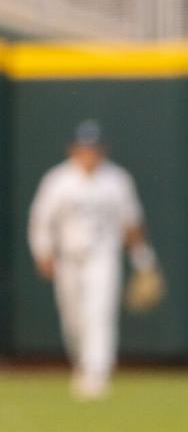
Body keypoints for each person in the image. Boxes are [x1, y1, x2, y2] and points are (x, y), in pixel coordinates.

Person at [28, 122, 162, 400]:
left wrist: (144, 261)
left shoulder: (117, 180)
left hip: (103, 257)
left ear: (103, 150)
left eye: (94, 148)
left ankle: (96, 372)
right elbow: (41, 219)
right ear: (73, 149)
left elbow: (131, 224)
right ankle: (82, 364)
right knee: (73, 320)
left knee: (99, 315)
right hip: (68, 258)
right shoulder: (58, 180)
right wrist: (43, 251)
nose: (89, 154)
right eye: (83, 148)